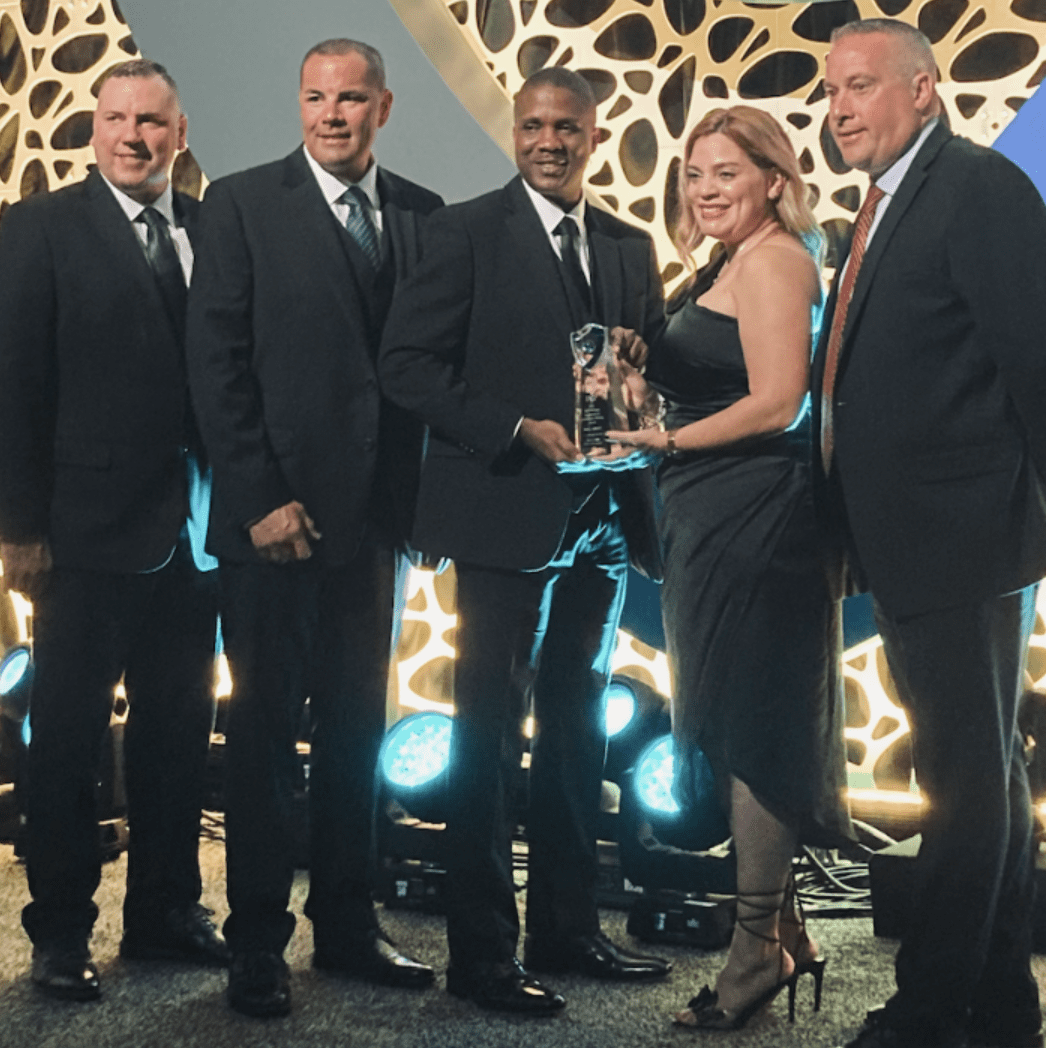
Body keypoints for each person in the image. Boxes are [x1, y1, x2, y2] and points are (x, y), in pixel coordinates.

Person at [378, 66, 671, 1016]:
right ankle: (482, 954)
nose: (550, 140)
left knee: (581, 725)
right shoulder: (464, 232)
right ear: (518, 129)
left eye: (567, 128)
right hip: (504, 512)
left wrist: (641, 405)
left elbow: (647, 364)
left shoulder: (628, 246)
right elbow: (407, 366)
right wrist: (513, 428)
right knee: (489, 734)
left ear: (595, 133)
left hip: (607, 525)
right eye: (535, 125)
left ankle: (569, 927)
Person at [186, 39, 441, 1018]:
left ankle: (346, 926)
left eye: (350, 99)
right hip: (273, 523)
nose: (331, 113)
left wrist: (423, 505)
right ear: (301, 103)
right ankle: (256, 942)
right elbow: (216, 364)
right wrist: (255, 499)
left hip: (375, 524)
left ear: (383, 106)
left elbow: (421, 370)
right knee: (258, 736)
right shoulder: (240, 204)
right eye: (315, 97)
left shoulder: (420, 213)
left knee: (352, 733)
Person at [815, 19, 1046, 1048]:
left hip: (966, 534)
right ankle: (996, 1001)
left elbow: (1031, 362)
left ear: (923, 89)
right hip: (916, 536)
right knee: (980, 770)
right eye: (830, 92)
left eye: (859, 87)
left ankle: (930, 1003)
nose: (838, 109)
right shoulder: (887, 198)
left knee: (960, 778)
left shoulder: (977, 189)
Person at [608, 105, 853, 1030]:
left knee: (755, 730)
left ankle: (753, 952)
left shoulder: (780, 259)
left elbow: (781, 402)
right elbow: (717, 380)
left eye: (726, 174)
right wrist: (641, 380)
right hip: (710, 519)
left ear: (774, 182)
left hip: (762, 523)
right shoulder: (724, 261)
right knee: (731, 717)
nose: (706, 190)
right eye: (695, 175)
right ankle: (782, 932)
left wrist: (665, 436)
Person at [0, 59, 225, 1001]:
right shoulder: (39, 227)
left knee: (178, 733)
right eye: (119, 119)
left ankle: (167, 910)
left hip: (196, 538)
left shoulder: (212, 230)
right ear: (95, 129)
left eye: (155, 122)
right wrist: (18, 529)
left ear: (180, 133)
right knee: (66, 742)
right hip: (80, 536)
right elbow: (13, 383)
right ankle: (58, 931)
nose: (136, 136)